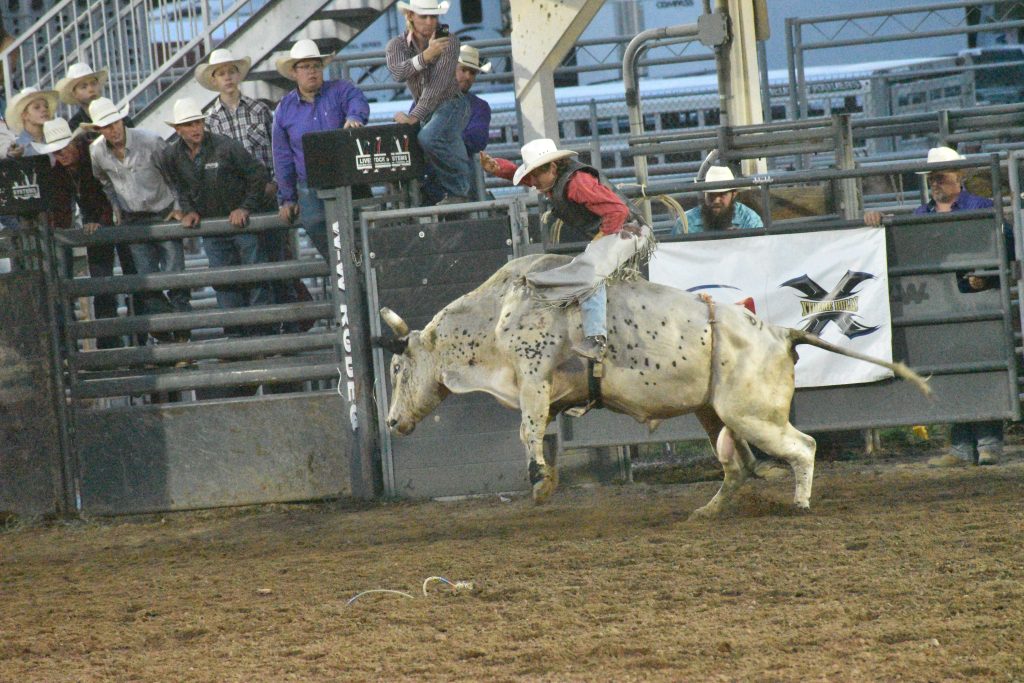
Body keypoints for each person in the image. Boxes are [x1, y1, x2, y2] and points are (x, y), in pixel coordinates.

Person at [867, 145, 1004, 467]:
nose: (935, 184)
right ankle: (963, 446)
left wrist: (987, 276)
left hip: (977, 303)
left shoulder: (982, 208)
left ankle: (987, 443)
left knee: (979, 371)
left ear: (959, 177)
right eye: (932, 179)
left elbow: (1004, 246)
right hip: (944, 305)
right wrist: (877, 223)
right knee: (954, 373)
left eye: (940, 177)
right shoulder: (924, 215)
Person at [481, 139, 654, 360]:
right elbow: (522, 175)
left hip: (628, 230)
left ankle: (596, 338)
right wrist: (498, 167)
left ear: (552, 168)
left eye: (535, 176)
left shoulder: (577, 183)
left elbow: (617, 210)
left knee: (589, 271)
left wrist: (602, 236)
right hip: (622, 230)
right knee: (586, 266)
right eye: (530, 175)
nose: (532, 182)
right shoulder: (556, 179)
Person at [158, 97, 270, 335]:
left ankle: (262, 335)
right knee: (224, 281)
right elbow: (179, 187)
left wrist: (245, 207)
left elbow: (258, 174)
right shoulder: (172, 156)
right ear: (178, 130)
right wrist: (188, 209)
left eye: (198, 122)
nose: (195, 128)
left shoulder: (225, 146)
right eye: (189, 125)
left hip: (239, 223)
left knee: (255, 276)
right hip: (214, 227)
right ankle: (235, 337)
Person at [88, 97, 190, 339]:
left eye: (114, 123)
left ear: (122, 120)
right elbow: (104, 181)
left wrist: (178, 206)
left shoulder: (151, 141)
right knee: (146, 282)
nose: (112, 130)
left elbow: (175, 173)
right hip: (133, 219)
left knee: (175, 277)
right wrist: (117, 208)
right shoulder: (97, 151)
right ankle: (167, 337)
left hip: (164, 213)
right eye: (106, 126)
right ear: (99, 129)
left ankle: (183, 336)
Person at [36, 117, 138, 349]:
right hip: (105, 223)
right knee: (104, 282)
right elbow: (63, 205)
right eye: (57, 152)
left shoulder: (94, 156)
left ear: (74, 144)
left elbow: (106, 191)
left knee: (129, 279)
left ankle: (130, 342)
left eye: (64, 149)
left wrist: (96, 220)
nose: (61, 156)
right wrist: (62, 228)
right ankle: (112, 344)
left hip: (122, 217)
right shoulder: (65, 169)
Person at [272, 39, 369, 260]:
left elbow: (357, 100)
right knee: (315, 222)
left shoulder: (341, 89)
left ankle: (356, 271)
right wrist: (287, 198)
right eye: (305, 67)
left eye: (316, 65)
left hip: (350, 176)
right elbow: (282, 156)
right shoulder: (284, 110)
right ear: (294, 73)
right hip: (311, 182)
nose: (312, 71)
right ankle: (342, 269)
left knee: (360, 226)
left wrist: (354, 116)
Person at [386, 0, 472, 205]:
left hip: (451, 102)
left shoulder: (449, 40)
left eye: (433, 16)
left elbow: (438, 86)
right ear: (410, 17)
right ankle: (452, 193)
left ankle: (458, 191)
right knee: (428, 141)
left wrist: (414, 116)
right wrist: (426, 56)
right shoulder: (397, 44)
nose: (430, 21)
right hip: (429, 109)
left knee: (429, 137)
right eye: (424, 16)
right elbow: (397, 73)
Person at [670, 165, 763, 235]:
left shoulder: (750, 220)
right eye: (711, 194)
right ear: (704, 194)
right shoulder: (684, 223)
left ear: (734, 194)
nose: (716, 200)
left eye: (722, 194)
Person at [56, 62, 135, 132]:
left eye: (93, 84)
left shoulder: (119, 118)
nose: (91, 89)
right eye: (84, 87)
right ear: (74, 94)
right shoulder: (74, 126)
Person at [4, 86, 58, 158]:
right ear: (24, 115)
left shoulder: (56, 138)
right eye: (36, 107)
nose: (44, 109)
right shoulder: (16, 147)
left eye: (46, 106)